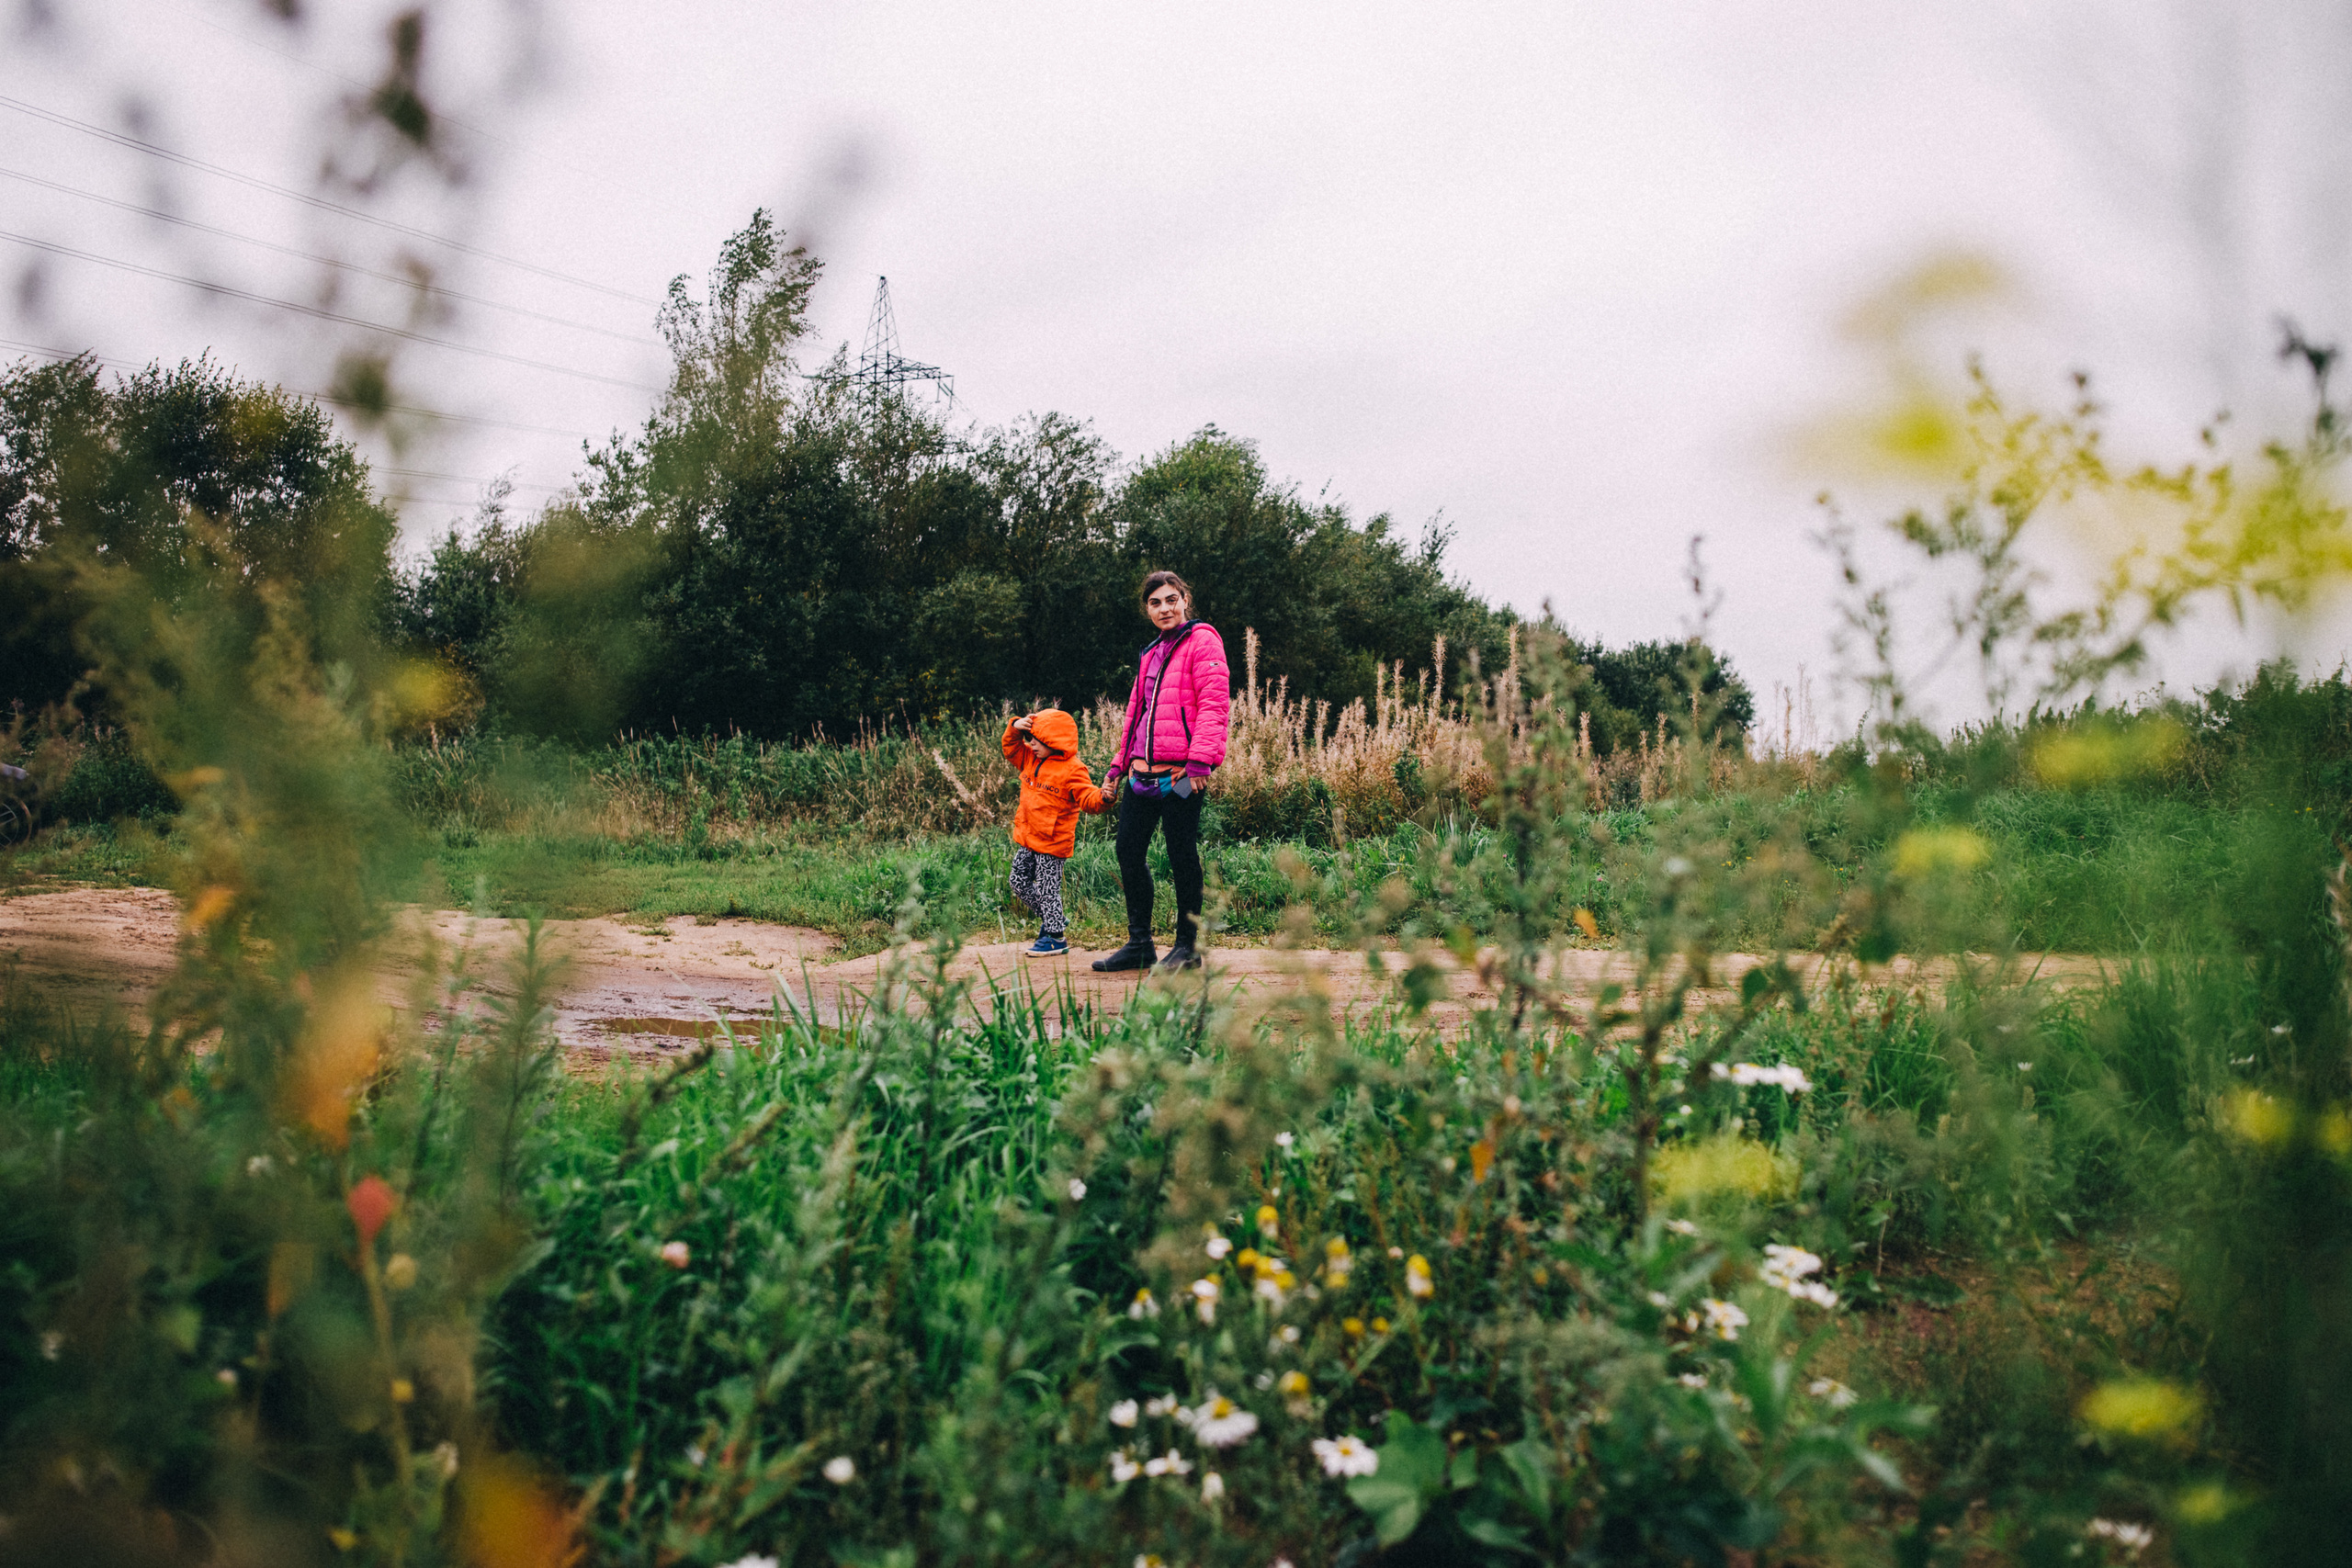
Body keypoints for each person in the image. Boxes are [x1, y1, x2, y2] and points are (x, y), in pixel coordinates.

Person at [1092, 570, 1230, 973]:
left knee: (1181, 851)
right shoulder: (1150, 652)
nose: (1164, 608)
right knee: (1128, 850)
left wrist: (1201, 760)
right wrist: (1118, 765)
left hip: (1183, 777)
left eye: (1171, 599)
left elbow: (1214, 702)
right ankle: (1140, 944)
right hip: (1140, 775)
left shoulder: (1203, 639)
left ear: (1185, 599)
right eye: (1155, 602)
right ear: (1147, 609)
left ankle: (1187, 948)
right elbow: (1136, 714)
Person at [1001, 706, 1107, 956]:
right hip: (1028, 837)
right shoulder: (1029, 757)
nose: (1032, 743)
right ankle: (1054, 918)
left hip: (1052, 842)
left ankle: (1056, 937)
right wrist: (1016, 726)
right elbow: (1010, 748)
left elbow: (1088, 798)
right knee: (1017, 881)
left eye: (1037, 740)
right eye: (1031, 738)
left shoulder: (1073, 768)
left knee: (1049, 890)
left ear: (1054, 741)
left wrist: (1104, 797)